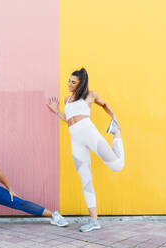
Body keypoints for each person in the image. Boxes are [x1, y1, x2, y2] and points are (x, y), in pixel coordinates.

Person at [47, 68, 124, 232]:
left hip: (90, 135)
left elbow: (104, 105)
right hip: (76, 141)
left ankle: (117, 133)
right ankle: (94, 221)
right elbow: (68, 120)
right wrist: (56, 111)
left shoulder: (90, 95)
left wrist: (114, 119)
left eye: (73, 82)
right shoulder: (67, 99)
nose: (69, 84)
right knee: (86, 180)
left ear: (81, 84)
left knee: (117, 166)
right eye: (69, 81)